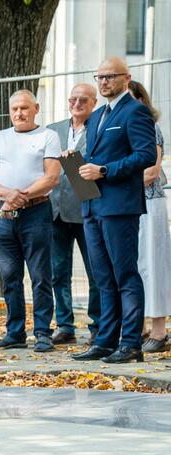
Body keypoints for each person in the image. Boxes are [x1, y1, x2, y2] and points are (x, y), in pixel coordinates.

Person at [72, 57, 157, 364]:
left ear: (126, 78)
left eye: (110, 76)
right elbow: (93, 158)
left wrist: (105, 170)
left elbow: (146, 155)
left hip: (120, 206)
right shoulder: (95, 116)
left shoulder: (136, 111)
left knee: (125, 275)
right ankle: (105, 341)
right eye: (100, 76)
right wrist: (76, 161)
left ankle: (131, 343)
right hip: (92, 205)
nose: (104, 81)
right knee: (103, 278)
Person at [0, 90, 61, 352]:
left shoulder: (48, 136)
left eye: (25, 108)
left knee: (40, 275)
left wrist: (20, 196)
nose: (19, 113)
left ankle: (42, 333)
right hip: (4, 214)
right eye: (14, 108)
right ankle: (14, 332)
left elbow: (51, 178)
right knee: (10, 276)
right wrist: (7, 195)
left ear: (36, 108)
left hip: (36, 212)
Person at [46, 84, 102, 345]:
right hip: (56, 211)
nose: (77, 104)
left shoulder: (100, 127)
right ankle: (65, 325)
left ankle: (98, 325)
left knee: (95, 272)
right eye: (73, 99)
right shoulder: (54, 130)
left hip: (87, 209)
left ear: (93, 102)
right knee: (59, 272)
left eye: (83, 100)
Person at [128, 80, 171, 353]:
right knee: (135, 267)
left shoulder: (150, 129)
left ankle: (159, 330)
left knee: (154, 265)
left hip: (150, 204)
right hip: (129, 206)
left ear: (142, 101)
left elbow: (152, 172)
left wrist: (118, 180)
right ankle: (139, 326)